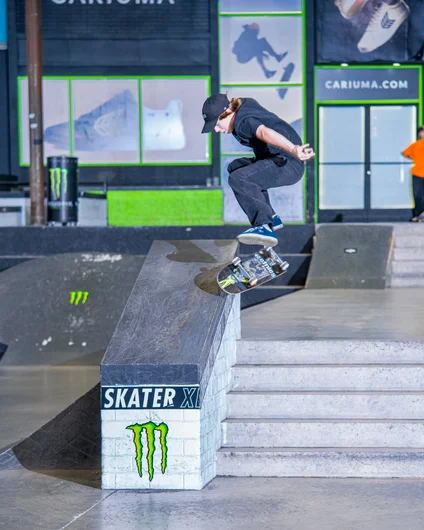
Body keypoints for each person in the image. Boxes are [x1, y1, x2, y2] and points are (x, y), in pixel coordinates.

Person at [201, 94, 315, 247]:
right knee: (235, 168)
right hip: (280, 160)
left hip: (286, 164)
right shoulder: (244, 106)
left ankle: (263, 226)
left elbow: (264, 132)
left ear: (226, 113)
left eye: (216, 123)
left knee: (239, 179)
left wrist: (293, 149)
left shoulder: (243, 122)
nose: (216, 129)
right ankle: (271, 216)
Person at [402, 125, 424, 222]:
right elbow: (405, 153)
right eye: (422, 131)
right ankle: (417, 215)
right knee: (417, 195)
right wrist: (414, 159)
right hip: (417, 173)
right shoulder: (416, 145)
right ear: (420, 134)